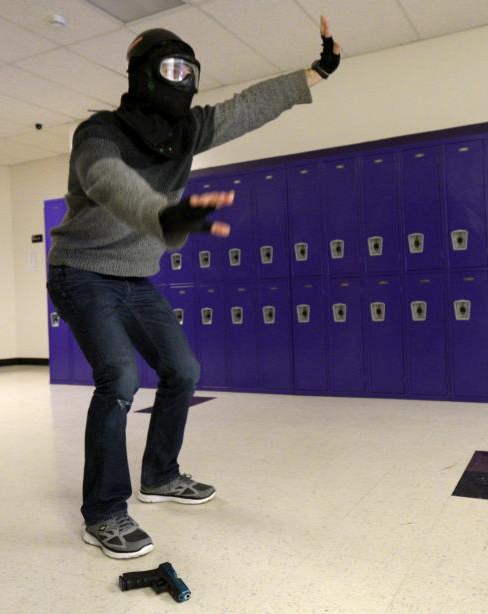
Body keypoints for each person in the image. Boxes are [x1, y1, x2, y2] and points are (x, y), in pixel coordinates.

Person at [46, 17, 342, 559]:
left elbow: (250, 106)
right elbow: (105, 180)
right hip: (81, 270)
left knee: (183, 371)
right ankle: (105, 512)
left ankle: (159, 476)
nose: (182, 79)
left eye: (190, 70)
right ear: (142, 74)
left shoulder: (189, 132)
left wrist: (319, 70)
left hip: (135, 277)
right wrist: (163, 216)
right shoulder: (99, 132)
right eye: (170, 68)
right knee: (119, 378)